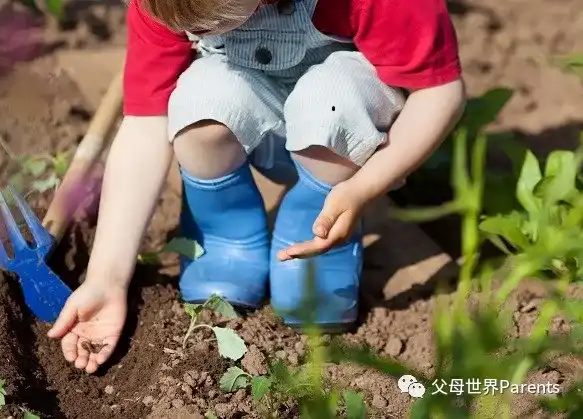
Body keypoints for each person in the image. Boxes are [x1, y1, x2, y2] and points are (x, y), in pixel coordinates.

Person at [47, 0, 466, 374]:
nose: (199, 35)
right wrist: (105, 278)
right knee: (198, 101)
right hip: (256, 121)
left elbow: (439, 93)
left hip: (345, 135)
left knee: (332, 99)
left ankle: (318, 226)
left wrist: (364, 187)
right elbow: (144, 126)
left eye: (213, 24)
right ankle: (225, 235)